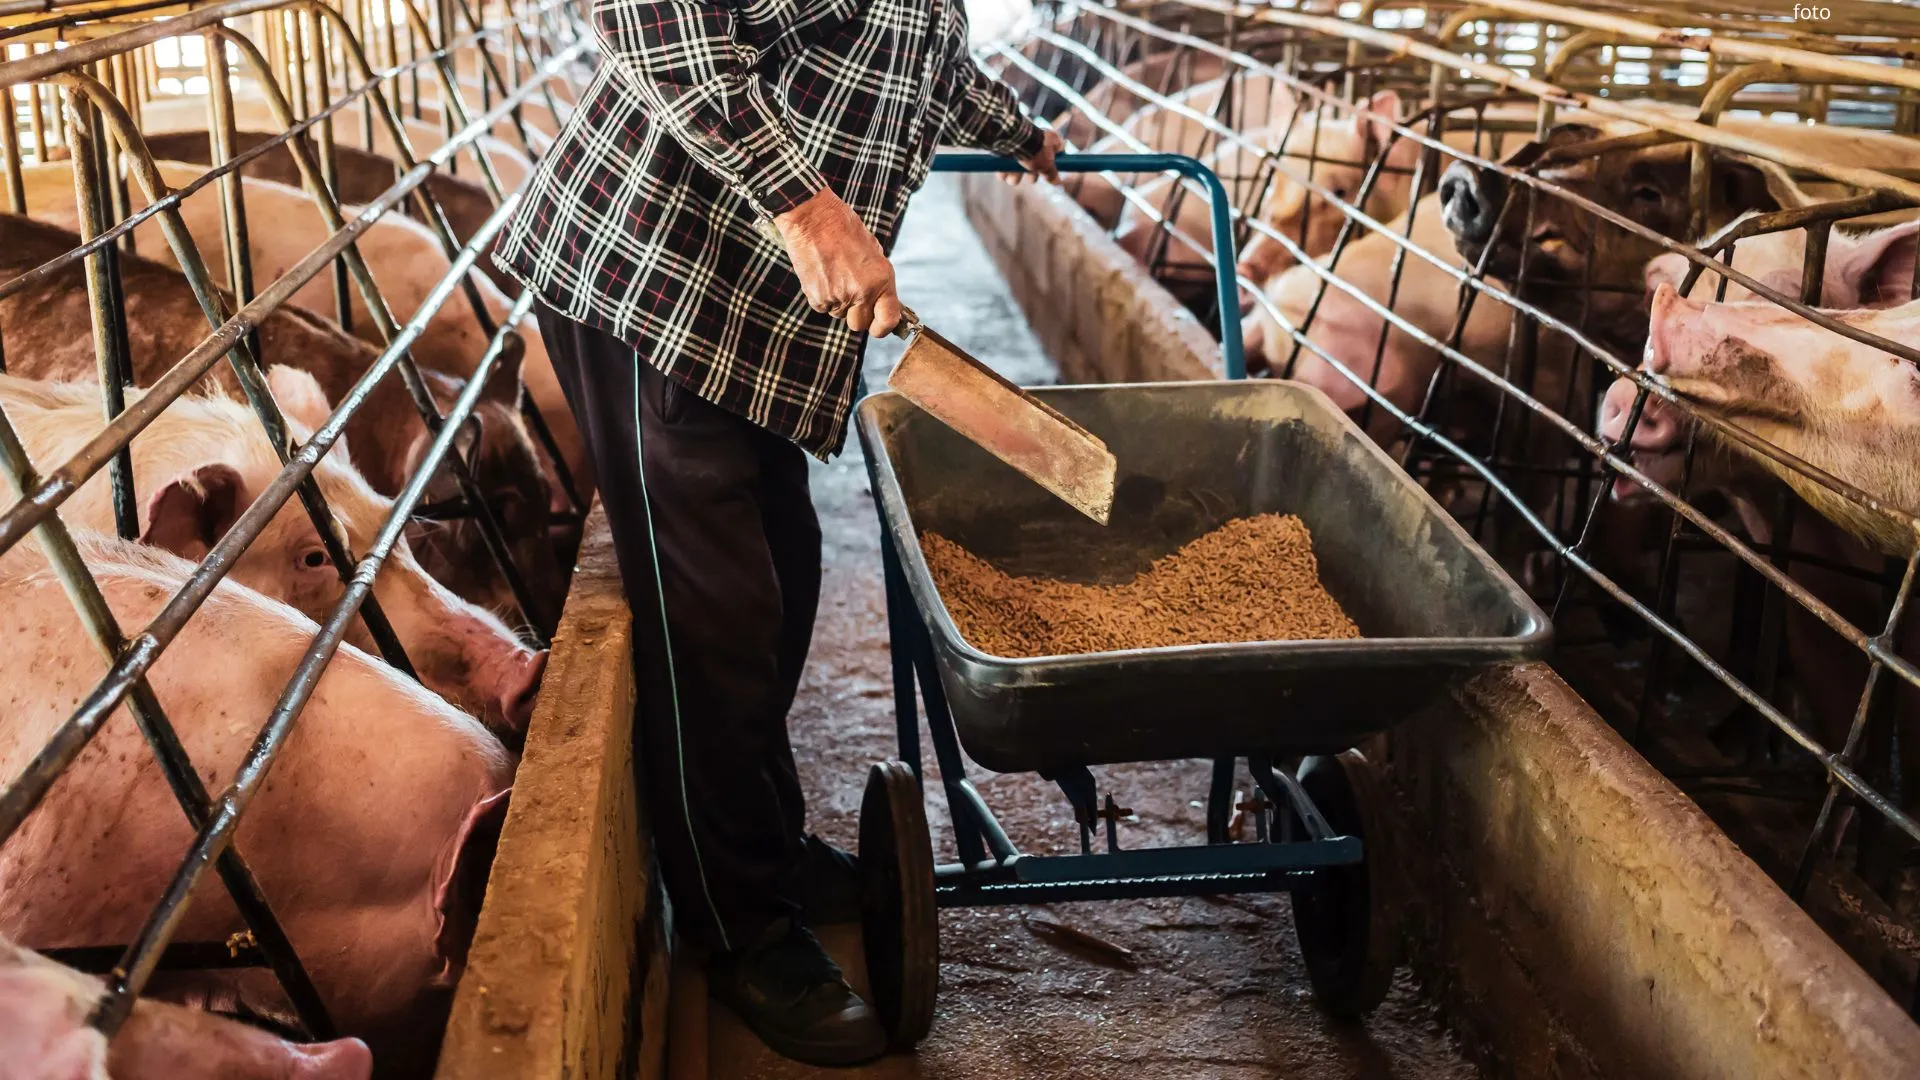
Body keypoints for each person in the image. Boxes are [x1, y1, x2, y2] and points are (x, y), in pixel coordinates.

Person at [493, 0, 1061, 1065]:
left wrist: (1015, 130)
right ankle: (739, 926)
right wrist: (808, 209)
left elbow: (918, 55)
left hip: (753, 326)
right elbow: (652, 21)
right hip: (658, 285)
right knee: (713, 621)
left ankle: (760, 845)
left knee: (785, 582)